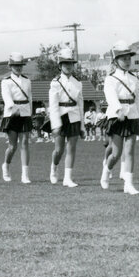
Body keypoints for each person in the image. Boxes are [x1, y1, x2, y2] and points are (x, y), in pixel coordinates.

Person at [101, 41, 139, 194]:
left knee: (130, 150)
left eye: (128, 58)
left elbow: (137, 98)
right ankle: (106, 171)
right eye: (123, 59)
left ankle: (129, 184)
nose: (127, 61)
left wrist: (138, 114)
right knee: (116, 153)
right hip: (117, 117)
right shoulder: (110, 79)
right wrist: (118, 110)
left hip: (132, 116)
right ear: (116, 61)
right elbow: (110, 96)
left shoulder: (134, 77)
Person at [48, 47, 84, 187]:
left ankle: (67, 178)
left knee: (72, 148)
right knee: (59, 150)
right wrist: (56, 124)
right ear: (60, 66)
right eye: (65, 64)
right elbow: (53, 105)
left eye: (71, 64)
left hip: (74, 117)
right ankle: (54, 167)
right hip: (61, 117)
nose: (68, 66)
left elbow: (80, 105)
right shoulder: (55, 83)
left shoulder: (78, 83)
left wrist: (82, 126)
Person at [0, 53, 33, 183]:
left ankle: (25, 175)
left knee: (25, 143)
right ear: (10, 66)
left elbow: (30, 97)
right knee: (13, 146)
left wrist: (29, 112)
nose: (18, 68)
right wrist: (13, 109)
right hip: (12, 114)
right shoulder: (6, 81)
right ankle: (6, 166)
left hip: (25, 113)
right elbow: (6, 97)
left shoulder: (27, 80)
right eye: (15, 66)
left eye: (20, 65)